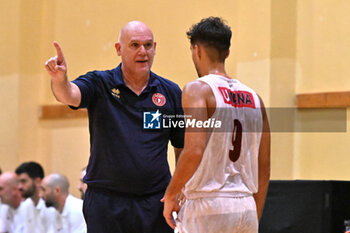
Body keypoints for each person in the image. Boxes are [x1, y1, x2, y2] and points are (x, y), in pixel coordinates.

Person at [44, 20, 184, 233]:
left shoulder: (171, 92)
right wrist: (59, 79)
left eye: (148, 45)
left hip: (155, 202)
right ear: (119, 49)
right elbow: (70, 95)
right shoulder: (100, 83)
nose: (143, 52)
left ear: (155, 48)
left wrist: (176, 191)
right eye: (135, 45)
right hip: (105, 203)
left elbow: (181, 147)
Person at [162, 17, 271, 233]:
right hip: (246, 205)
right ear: (227, 53)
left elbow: (193, 151)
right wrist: (252, 215)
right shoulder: (256, 99)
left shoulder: (198, 90)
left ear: (197, 50)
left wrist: (171, 194)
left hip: (207, 205)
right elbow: (264, 167)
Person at [15, 161, 55, 233]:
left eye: (23, 181)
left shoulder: (51, 207)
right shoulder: (25, 205)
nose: (19, 186)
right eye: (18, 182)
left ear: (38, 181)